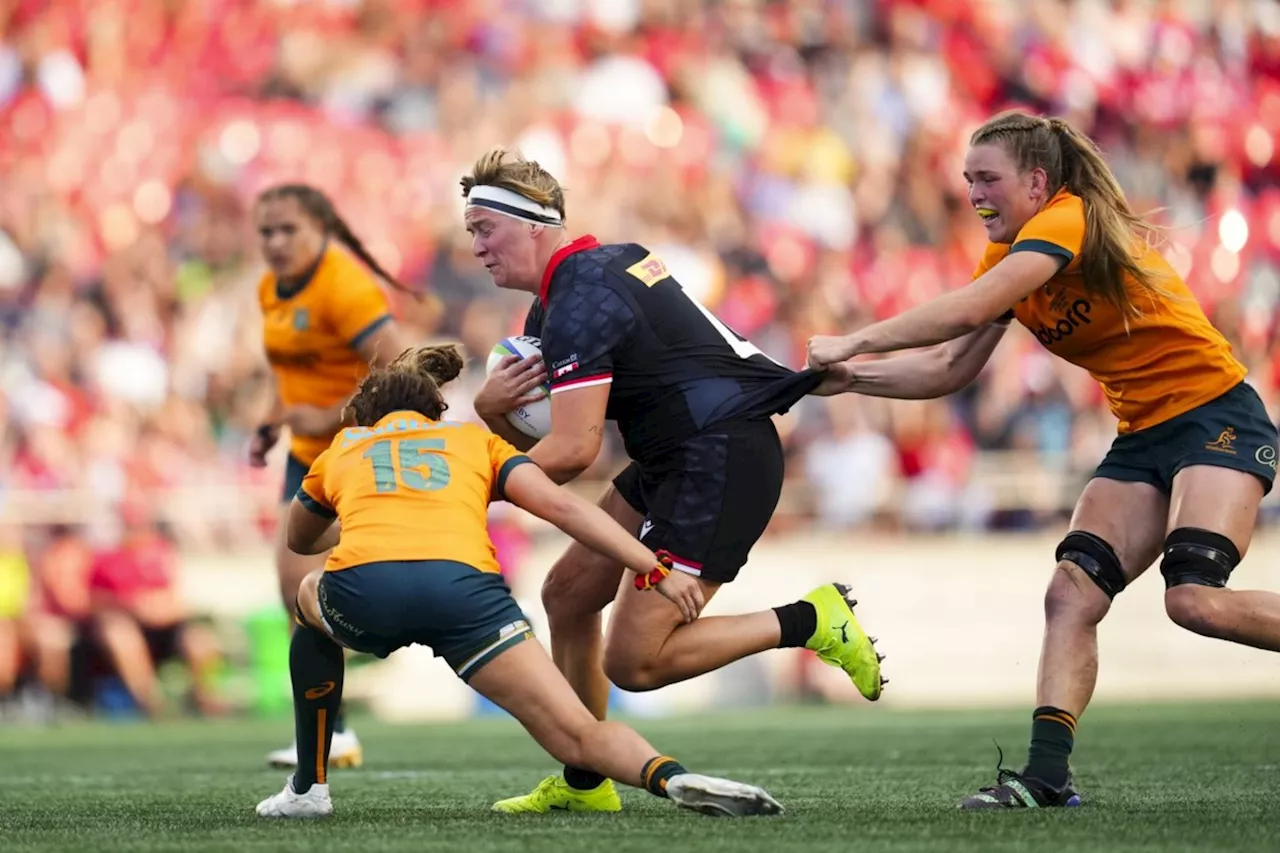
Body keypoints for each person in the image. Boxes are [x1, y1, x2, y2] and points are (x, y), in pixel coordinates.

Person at [806, 110, 1280, 810]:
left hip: (1216, 415)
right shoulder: (1008, 256)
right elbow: (945, 368)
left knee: (1194, 599)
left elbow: (968, 312)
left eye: (987, 178)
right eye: (967, 179)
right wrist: (853, 379)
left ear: (1035, 180)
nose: (974, 193)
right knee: (1071, 593)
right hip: (1144, 434)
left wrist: (852, 341)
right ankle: (1047, 778)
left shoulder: (1067, 217)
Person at [463, 148, 885, 814]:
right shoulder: (577, 288)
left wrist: (466, 484)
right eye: (471, 232)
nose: (478, 246)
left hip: (716, 456)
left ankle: (811, 619)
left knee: (635, 662)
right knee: (568, 594)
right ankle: (586, 779)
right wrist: (493, 419)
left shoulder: (579, 300)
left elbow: (572, 452)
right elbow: (559, 450)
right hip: (679, 455)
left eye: (486, 227)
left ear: (536, 222)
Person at [255, 345, 783, 820]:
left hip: (365, 594)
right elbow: (561, 507)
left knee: (306, 598)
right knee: (579, 734)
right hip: (467, 596)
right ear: (437, 410)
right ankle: (670, 775)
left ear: (365, 416)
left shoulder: (345, 447)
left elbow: (300, 542)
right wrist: (652, 566)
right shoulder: (472, 442)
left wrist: (365, 517)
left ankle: (309, 787)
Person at [248, 183, 415, 770]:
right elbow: (290, 370)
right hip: (304, 455)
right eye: (265, 231)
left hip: (354, 450)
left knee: (321, 591)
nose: (274, 242)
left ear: (320, 229)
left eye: (287, 229)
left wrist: (328, 415)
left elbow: (402, 367)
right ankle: (332, 731)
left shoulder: (343, 286)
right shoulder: (271, 288)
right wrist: (272, 421)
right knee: (292, 586)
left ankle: (341, 721)